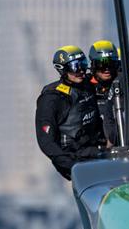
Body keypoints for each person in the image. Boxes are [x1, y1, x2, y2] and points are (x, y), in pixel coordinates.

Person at [35, 45, 102, 180]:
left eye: (83, 65)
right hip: (77, 161)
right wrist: (73, 166)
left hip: (99, 152)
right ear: (63, 70)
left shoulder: (87, 85)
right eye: (75, 67)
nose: (81, 71)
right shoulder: (52, 99)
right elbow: (46, 143)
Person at [88, 40, 120, 147]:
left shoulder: (122, 84)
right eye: (102, 64)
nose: (107, 70)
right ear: (93, 66)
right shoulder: (85, 86)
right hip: (94, 146)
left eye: (111, 64)